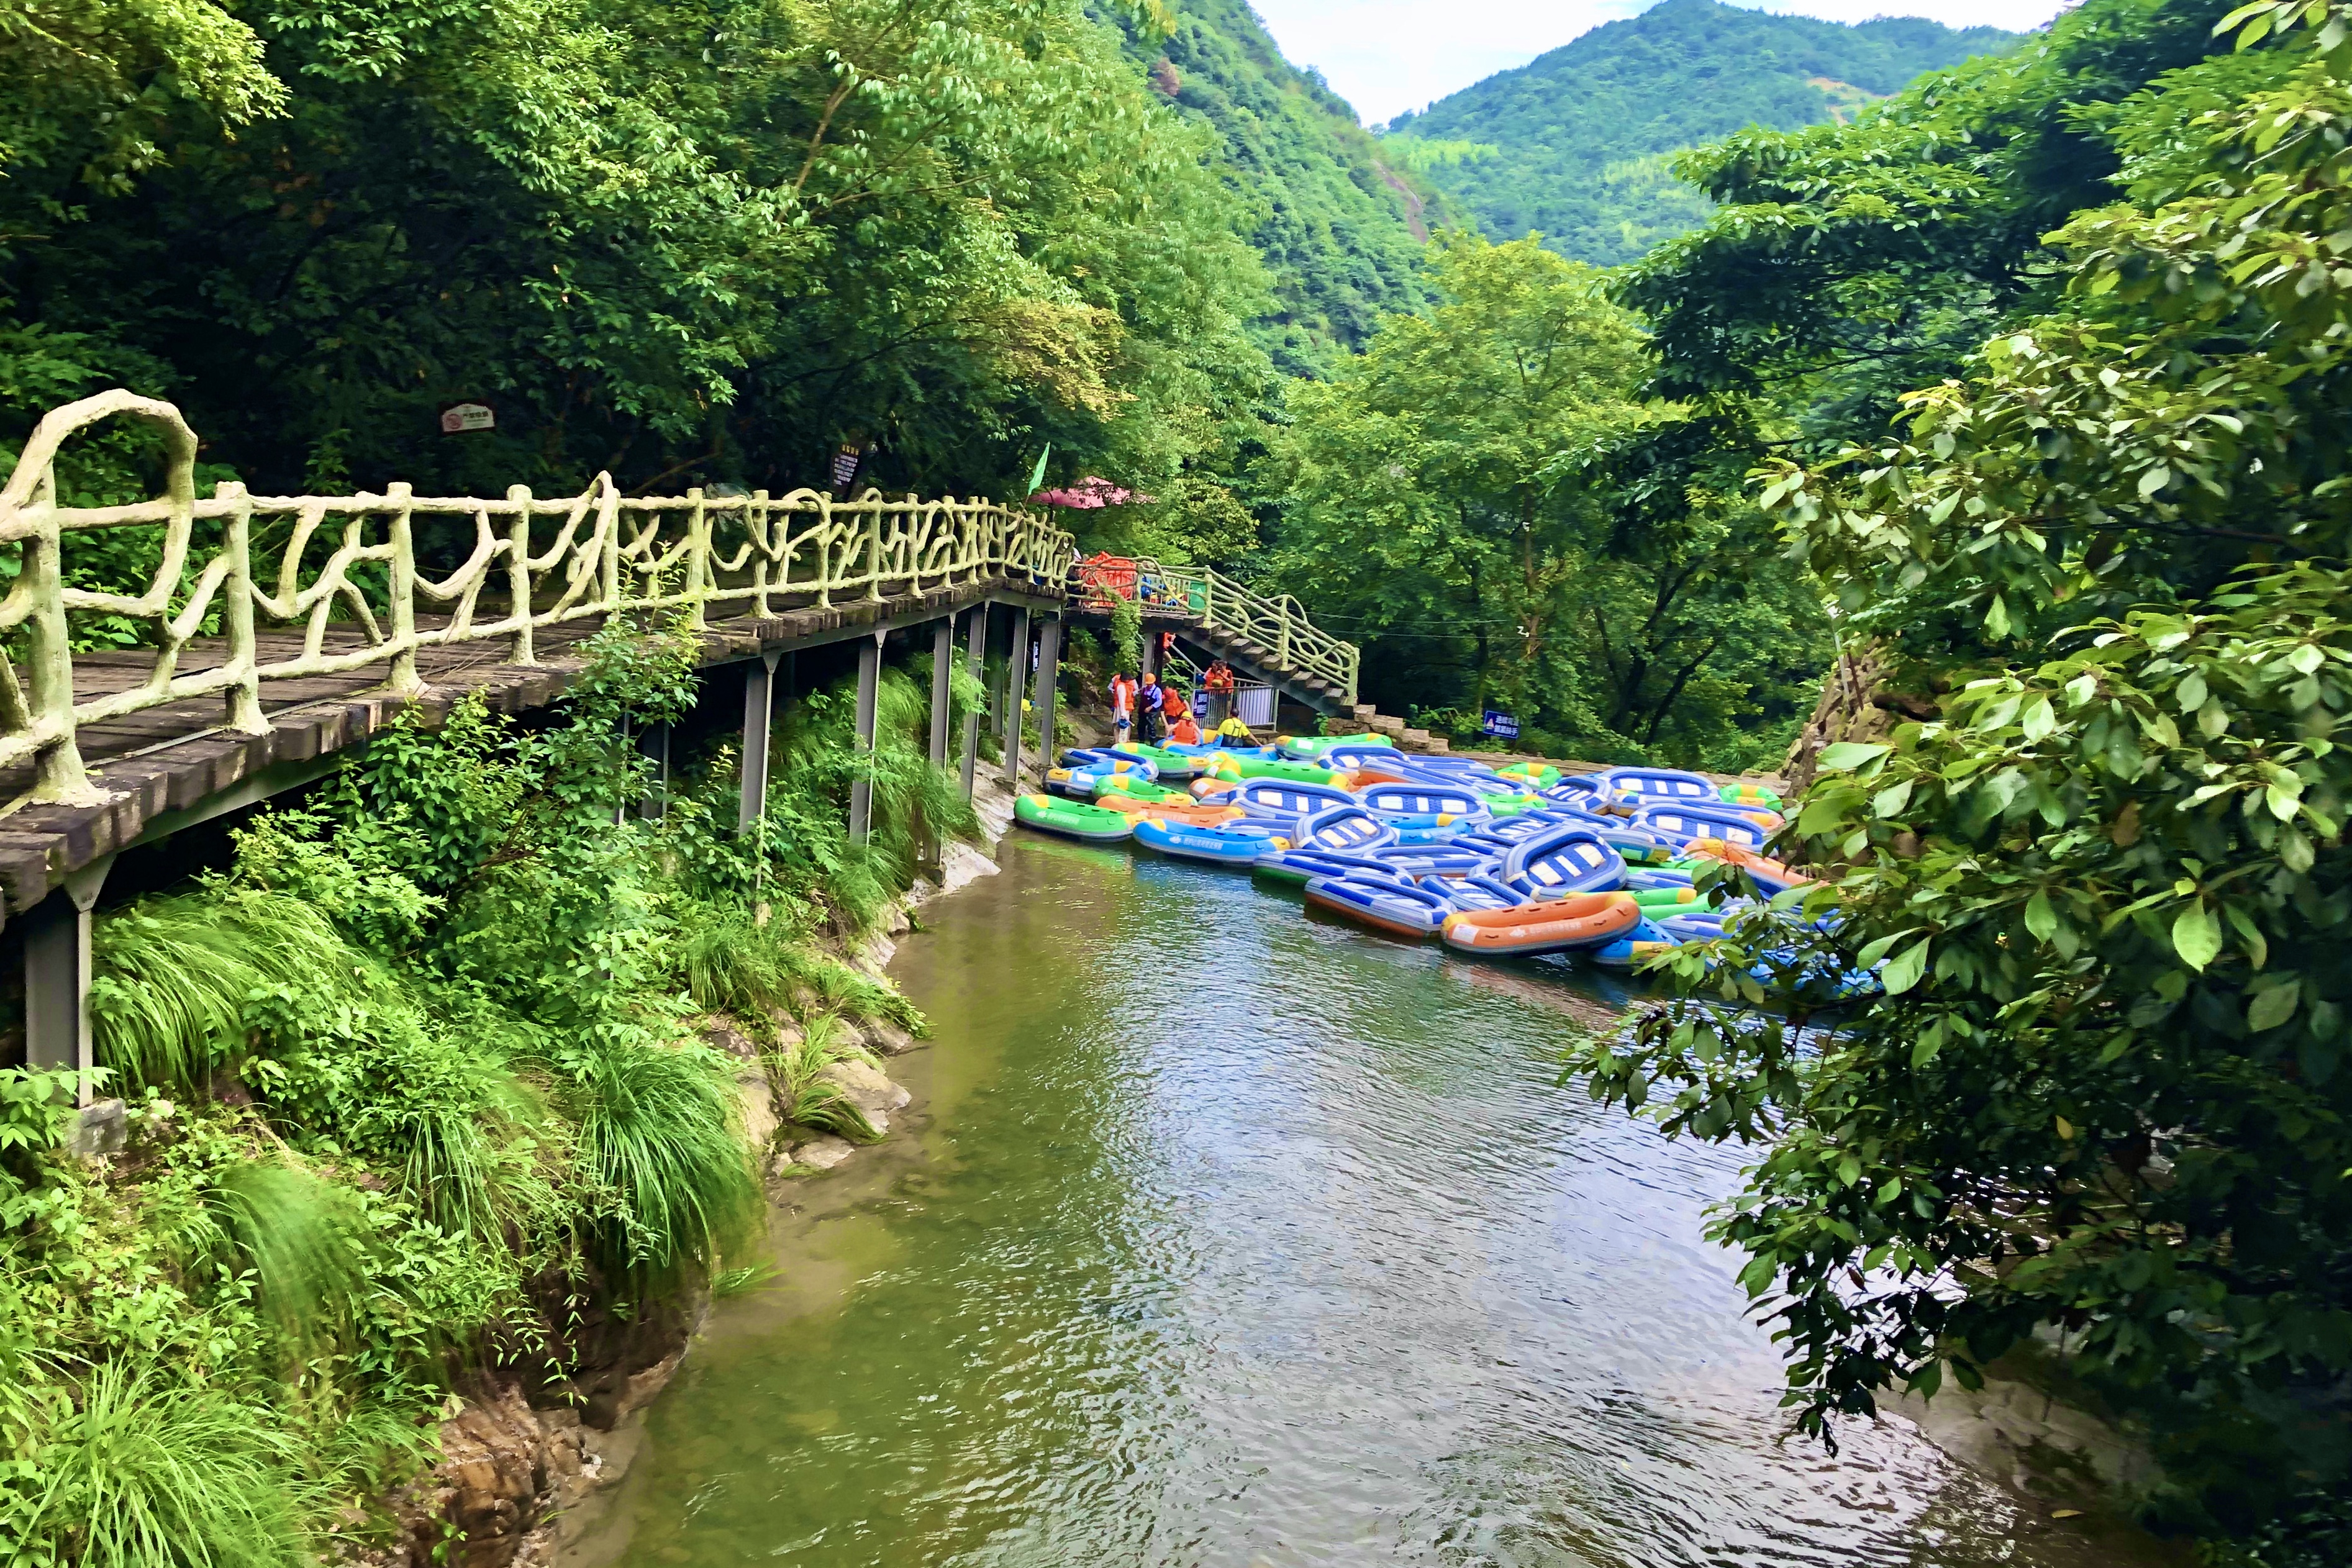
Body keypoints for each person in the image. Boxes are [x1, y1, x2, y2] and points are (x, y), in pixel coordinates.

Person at [1109, 669, 1137, 741]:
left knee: (1123, 727)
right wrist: (1123, 713)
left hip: (1125, 708)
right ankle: (1121, 743)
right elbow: (1121, 700)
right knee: (1122, 727)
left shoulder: (1122, 685)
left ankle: (1121, 742)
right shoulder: (1121, 687)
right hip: (1123, 709)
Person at [1136, 672, 1163, 744]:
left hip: (1152, 711)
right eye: (1148, 684)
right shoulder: (1144, 689)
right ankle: (1141, 741)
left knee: (1152, 727)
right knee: (1141, 726)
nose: (1149, 686)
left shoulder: (1157, 690)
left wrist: (1151, 707)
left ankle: (1152, 743)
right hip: (1143, 710)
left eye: (1150, 684)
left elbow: (1159, 702)